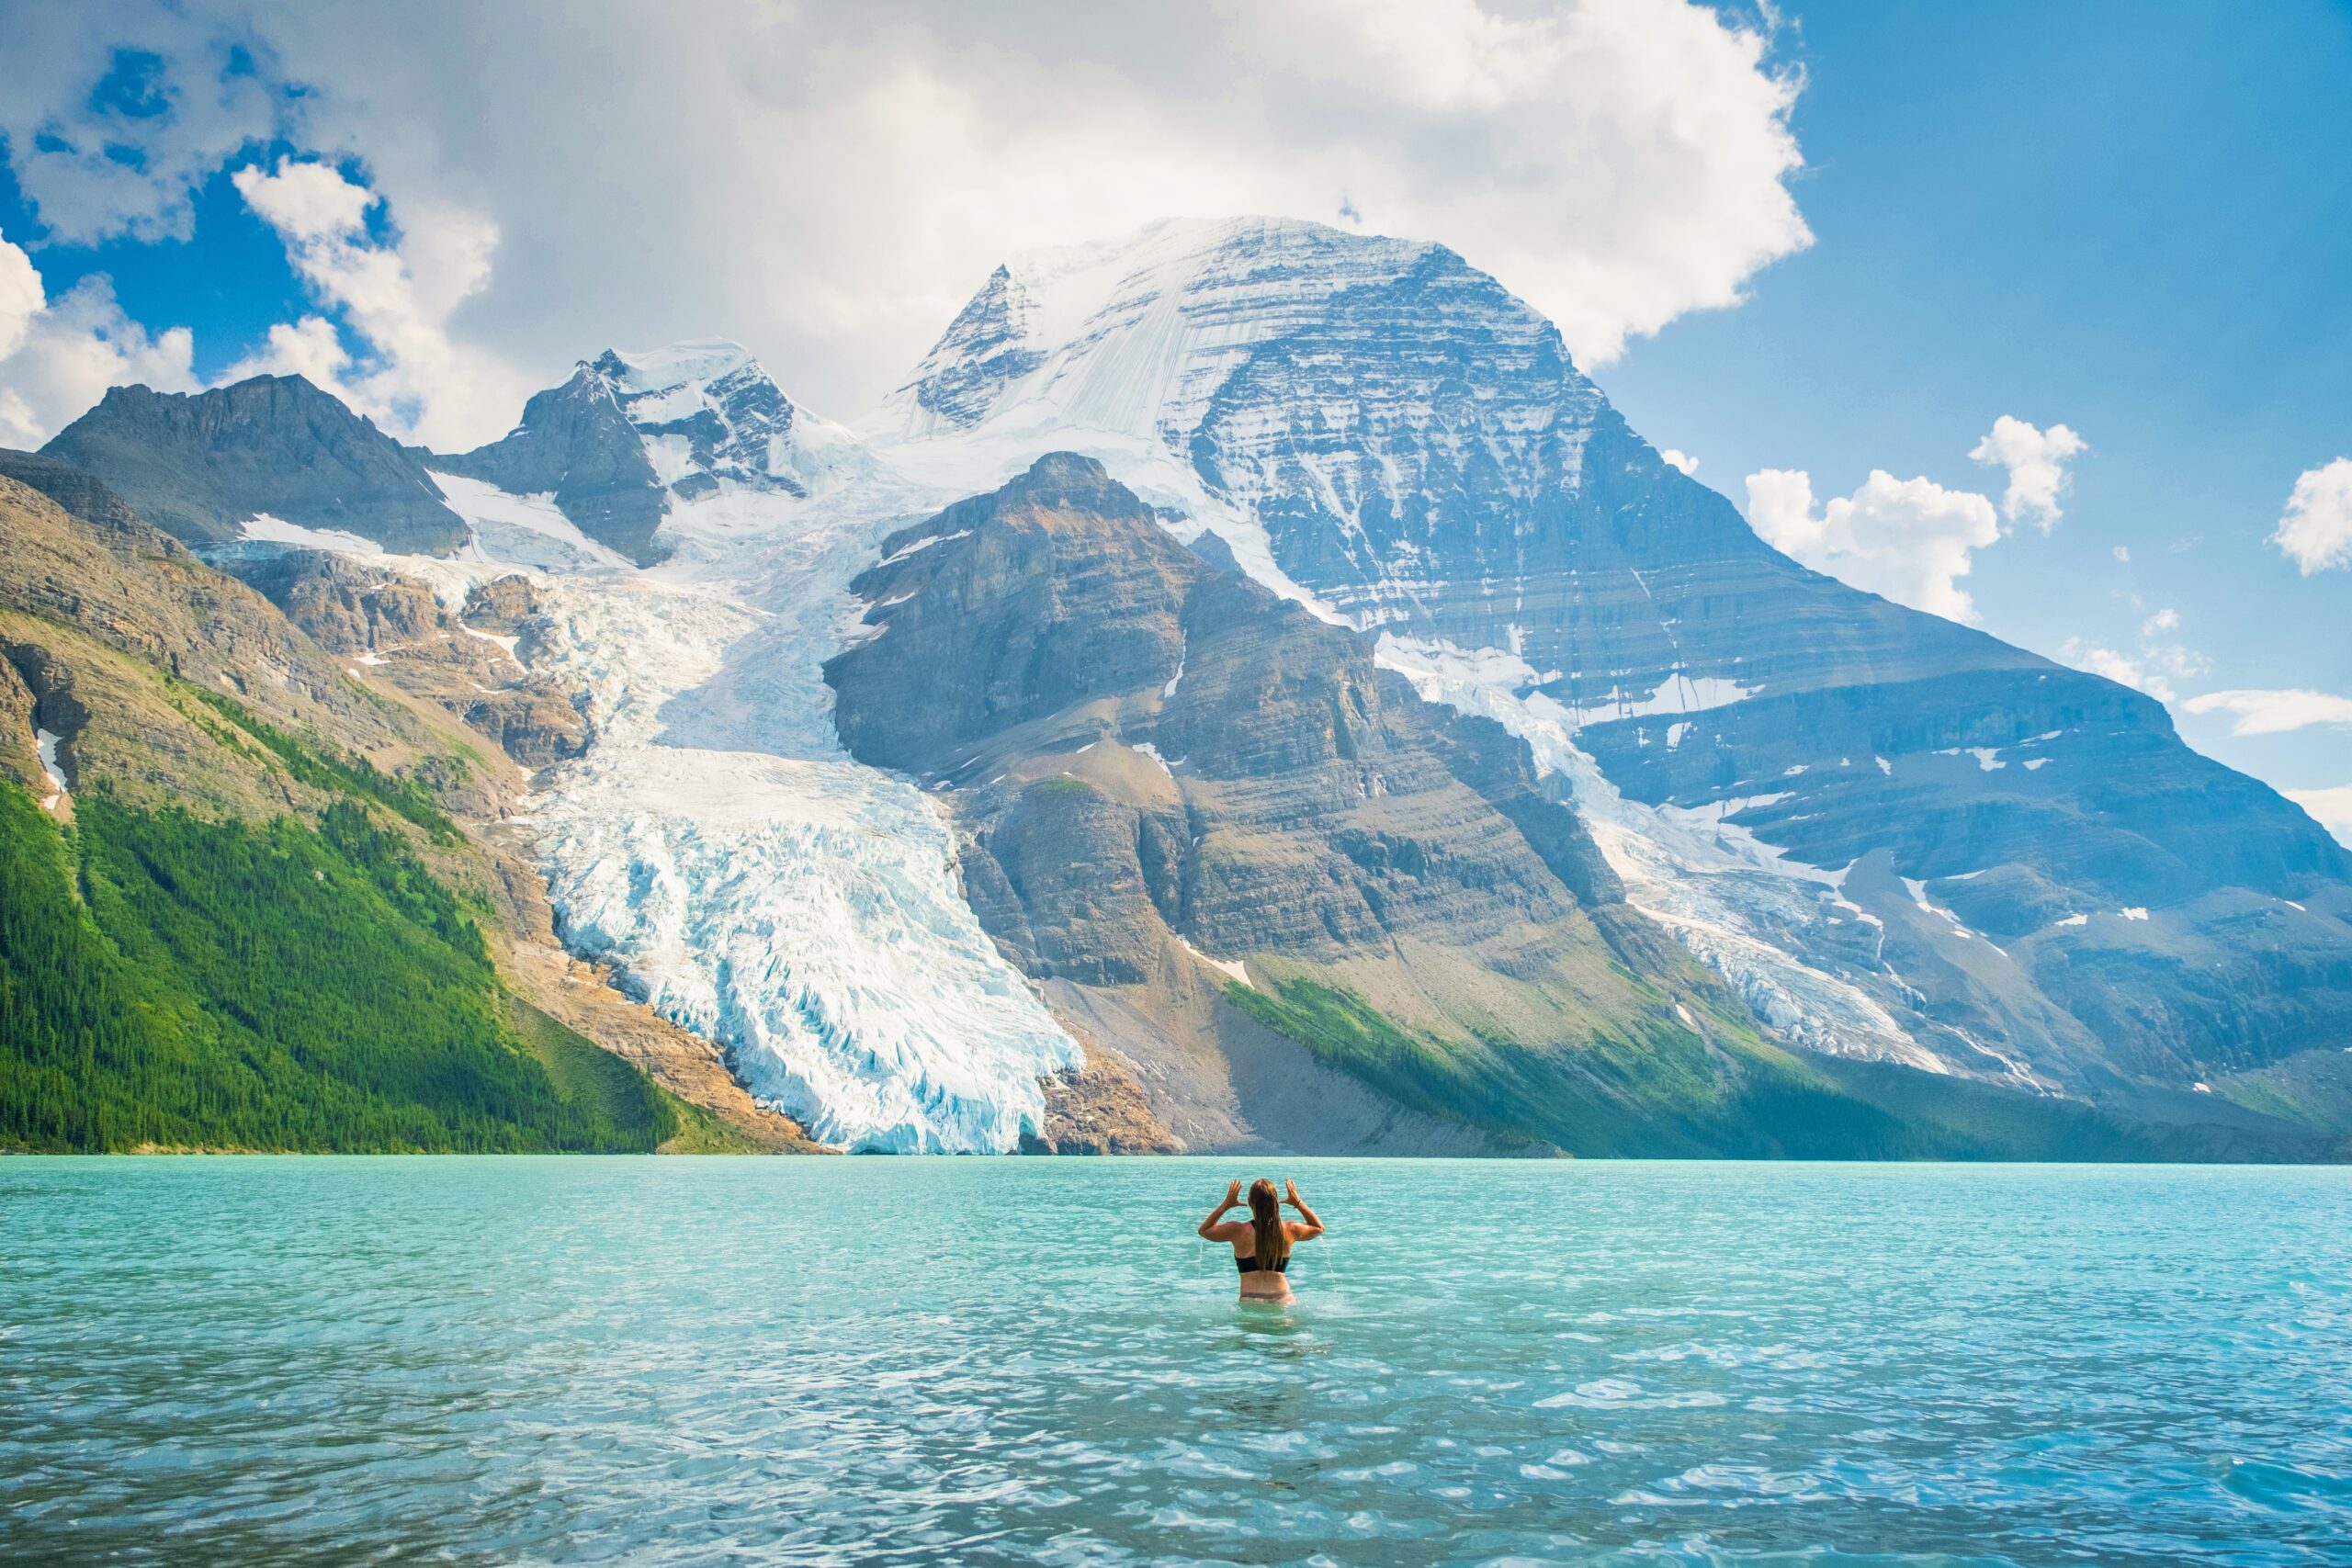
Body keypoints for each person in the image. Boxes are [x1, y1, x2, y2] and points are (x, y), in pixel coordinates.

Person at [1196, 1178, 1323, 1301]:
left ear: (1249, 1202)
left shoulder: (1237, 1230)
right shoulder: (1290, 1229)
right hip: (1283, 1298)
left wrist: (1226, 1205)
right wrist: (1298, 1203)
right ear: (1276, 1202)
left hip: (1250, 1300)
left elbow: (1204, 1231)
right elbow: (1318, 1228)